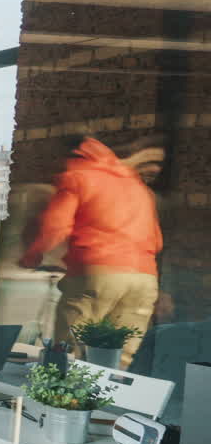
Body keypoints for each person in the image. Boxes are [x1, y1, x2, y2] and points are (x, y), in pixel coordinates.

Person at [19, 135, 165, 368]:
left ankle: (59, 399)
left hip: (98, 273)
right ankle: (106, 400)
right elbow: (156, 241)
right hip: (144, 279)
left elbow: (55, 226)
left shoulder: (79, 176)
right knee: (119, 355)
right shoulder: (138, 187)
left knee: (71, 349)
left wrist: (31, 256)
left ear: (74, 154)